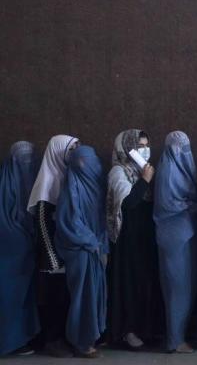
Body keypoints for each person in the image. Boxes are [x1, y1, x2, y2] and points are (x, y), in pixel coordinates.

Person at [106, 129, 164, 350]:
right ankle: (128, 331)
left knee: (145, 283)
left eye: (146, 145)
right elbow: (127, 204)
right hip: (127, 239)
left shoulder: (141, 170)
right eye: (139, 146)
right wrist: (144, 181)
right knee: (129, 284)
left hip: (144, 237)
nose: (144, 150)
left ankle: (146, 329)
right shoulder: (118, 172)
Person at [27, 135, 80, 357]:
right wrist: (51, 257)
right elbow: (41, 221)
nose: (73, 155)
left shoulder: (63, 177)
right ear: (57, 152)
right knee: (53, 298)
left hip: (63, 249)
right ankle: (52, 340)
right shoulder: (46, 183)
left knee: (63, 296)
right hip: (51, 255)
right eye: (70, 150)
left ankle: (62, 338)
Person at [55, 145, 107, 358]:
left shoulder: (98, 185)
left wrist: (101, 244)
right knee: (83, 296)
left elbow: (104, 217)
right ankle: (81, 341)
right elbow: (69, 221)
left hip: (97, 247)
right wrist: (90, 242)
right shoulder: (71, 188)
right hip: (80, 249)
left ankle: (93, 334)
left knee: (95, 293)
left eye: (88, 160)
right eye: (80, 161)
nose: (85, 166)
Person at [153, 131, 197, 353]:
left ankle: (179, 335)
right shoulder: (167, 171)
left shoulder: (181, 170)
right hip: (173, 237)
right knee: (176, 289)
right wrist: (193, 206)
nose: (185, 152)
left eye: (187, 147)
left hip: (185, 235)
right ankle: (174, 339)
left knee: (186, 287)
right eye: (181, 148)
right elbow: (167, 205)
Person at [0, 142, 40, 356]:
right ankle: (9, 341)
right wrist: (19, 235)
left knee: (25, 296)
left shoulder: (34, 178)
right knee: (10, 296)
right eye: (23, 159)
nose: (27, 163)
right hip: (9, 250)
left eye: (30, 158)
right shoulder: (4, 183)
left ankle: (24, 337)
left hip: (26, 248)